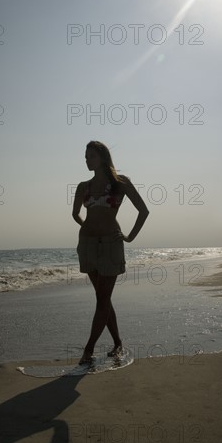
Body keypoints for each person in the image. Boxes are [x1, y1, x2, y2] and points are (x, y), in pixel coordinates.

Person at [72, 140, 149, 365]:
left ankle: (88, 350)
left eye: (91, 156)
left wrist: (130, 237)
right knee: (102, 298)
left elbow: (143, 211)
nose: (87, 160)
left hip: (111, 244)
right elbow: (75, 214)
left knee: (103, 298)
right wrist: (86, 225)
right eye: (85, 156)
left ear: (103, 158)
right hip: (87, 244)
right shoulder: (82, 186)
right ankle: (117, 343)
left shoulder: (120, 183)